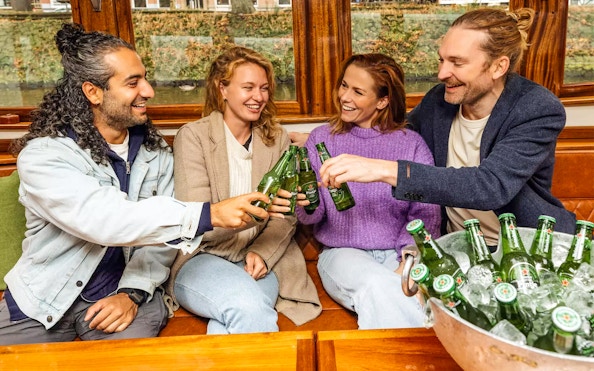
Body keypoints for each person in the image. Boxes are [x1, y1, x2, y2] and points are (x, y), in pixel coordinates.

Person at [0, 24, 270, 345]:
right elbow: (106, 220)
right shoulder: (46, 155)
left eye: (144, 78)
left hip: (125, 298)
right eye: (133, 82)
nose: (149, 90)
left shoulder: (156, 153)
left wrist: (132, 293)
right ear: (93, 92)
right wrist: (207, 214)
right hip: (45, 299)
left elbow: (161, 244)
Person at [312, 8, 576, 247]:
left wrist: (383, 169)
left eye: (457, 63)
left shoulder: (536, 109)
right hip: (459, 244)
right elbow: (395, 129)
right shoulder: (441, 100)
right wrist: (329, 135)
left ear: (498, 66)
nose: (441, 73)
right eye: (442, 60)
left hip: (528, 246)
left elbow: (490, 186)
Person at [166, 46, 321, 334]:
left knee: (230, 322)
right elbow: (196, 220)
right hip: (203, 257)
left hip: (262, 259)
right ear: (221, 88)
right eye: (248, 87)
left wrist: (262, 252)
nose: (259, 97)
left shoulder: (277, 139)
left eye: (264, 88)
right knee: (248, 306)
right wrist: (256, 213)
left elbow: (286, 215)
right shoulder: (193, 137)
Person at [294, 53, 441, 329]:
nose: (344, 97)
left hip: (398, 253)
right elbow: (313, 216)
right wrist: (305, 203)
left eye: (358, 91)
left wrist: (407, 260)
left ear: (382, 101)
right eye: (344, 85)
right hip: (341, 254)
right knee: (379, 287)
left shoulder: (412, 145)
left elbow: (425, 212)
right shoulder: (321, 139)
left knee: (392, 293)